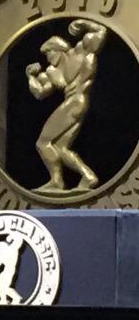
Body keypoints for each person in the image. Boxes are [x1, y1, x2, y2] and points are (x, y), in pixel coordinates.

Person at [27, 20, 107, 193]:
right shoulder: (53, 71)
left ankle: (56, 182)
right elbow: (40, 93)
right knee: (60, 148)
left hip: (75, 102)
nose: (47, 58)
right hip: (77, 103)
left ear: (57, 49)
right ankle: (88, 176)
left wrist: (84, 23)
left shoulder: (80, 51)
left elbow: (101, 32)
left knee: (42, 142)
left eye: (48, 53)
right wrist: (31, 77)